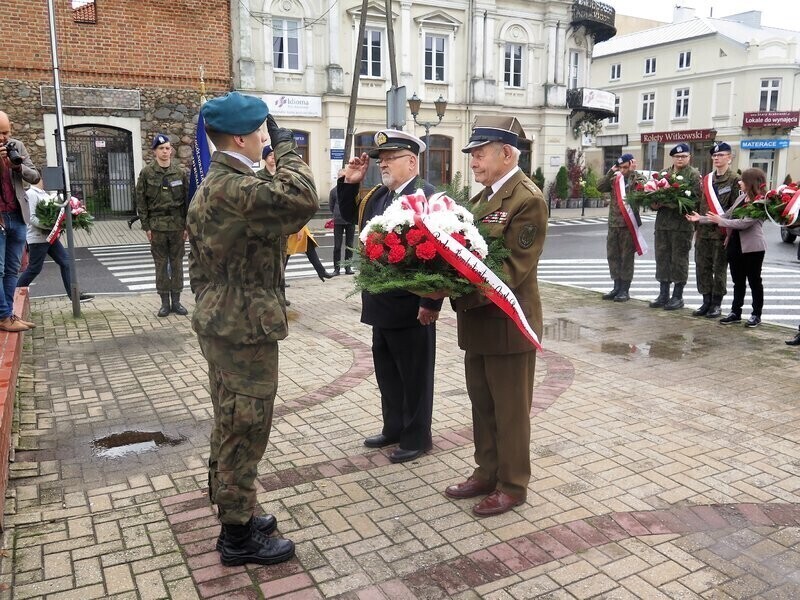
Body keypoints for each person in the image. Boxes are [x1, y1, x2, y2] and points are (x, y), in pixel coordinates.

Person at [186, 92, 318, 566]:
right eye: (262, 129)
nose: (267, 135)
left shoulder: (215, 184)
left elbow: (197, 266)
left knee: (230, 419)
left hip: (225, 322)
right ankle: (238, 537)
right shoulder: (234, 188)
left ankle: (235, 508)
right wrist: (286, 148)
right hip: (243, 331)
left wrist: (214, 301)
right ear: (241, 137)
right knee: (246, 426)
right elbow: (302, 197)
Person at [444, 116, 548, 517]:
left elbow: (511, 268)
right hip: (480, 322)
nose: (473, 161)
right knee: (482, 403)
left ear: (506, 154)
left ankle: (513, 484)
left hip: (509, 323)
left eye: (480, 153)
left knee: (510, 410)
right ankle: (486, 472)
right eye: (472, 154)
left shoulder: (527, 199)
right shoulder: (482, 199)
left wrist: (450, 288)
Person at [337, 129, 442, 464]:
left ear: (411, 162)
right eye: (381, 159)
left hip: (412, 306)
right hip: (380, 304)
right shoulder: (378, 197)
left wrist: (430, 301)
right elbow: (347, 215)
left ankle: (417, 437)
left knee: (414, 376)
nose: (382, 164)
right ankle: (394, 427)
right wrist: (350, 183)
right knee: (388, 372)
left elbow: (439, 255)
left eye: (389, 159)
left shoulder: (427, 196)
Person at [687, 167, 766, 327]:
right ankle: (735, 312)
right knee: (738, 281)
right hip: (735, 244)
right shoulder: (742, 198)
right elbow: (726, 215)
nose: (739, 182)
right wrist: (700, 218)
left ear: (750, 183)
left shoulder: (761, 201)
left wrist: (720, 221)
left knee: (754, 282)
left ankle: (756, 314)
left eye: (743, 180)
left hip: (752, 248)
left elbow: (744, 223)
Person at [135, 133, 189, 318]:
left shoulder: (180, 173)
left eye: (167, 148)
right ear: (155, 151)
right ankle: (164, 303)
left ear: (171, 151)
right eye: (161, 148)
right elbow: (141, 201)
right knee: (161, 265)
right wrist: (146, 226)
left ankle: (177, 301)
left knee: (177, 264)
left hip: (176, 225)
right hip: (157, 226)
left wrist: (186, 226)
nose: (165, 152)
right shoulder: (147, 173)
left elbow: (187, 202)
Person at [17, 178, 94, 304]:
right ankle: (15, 292)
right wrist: (50, 225)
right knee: (34, 268)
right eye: (44, 178)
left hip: (50, 237)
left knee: (66, 262)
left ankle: (74, 296)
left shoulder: (44, 194)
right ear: (39, 179)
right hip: (38, 238)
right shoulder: (31, 194)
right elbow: (30, 218)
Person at [0, 110, 40, 333]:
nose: (3, 138)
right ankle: (3, 316)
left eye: (6, 132)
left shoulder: (17, 147)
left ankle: (8, 315)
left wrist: (17, 166)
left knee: (12, 269)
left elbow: (35, 176)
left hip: (17, 215)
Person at [649, 143, 700, 311]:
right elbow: (652, 197)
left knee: (679, 260)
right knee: (662, 258)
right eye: (677, 156)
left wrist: (670, 203)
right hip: (663, 225)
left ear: (689, 157)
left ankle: (677, 296)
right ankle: (663, 294)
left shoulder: (693, 175)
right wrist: (654, 203)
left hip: (681, 226)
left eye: (683, 156)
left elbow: (694, 200)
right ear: (672, 157)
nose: (680, 159)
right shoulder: (664, 174)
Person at [692, 142, 740, 319]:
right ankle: (706, 301)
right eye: (714, 156)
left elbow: (737, 209)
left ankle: (716, 304)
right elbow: (700, 205)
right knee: (702, 267)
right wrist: (696, 229)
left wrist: (729, 231)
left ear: (729, 157)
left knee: (719, 269)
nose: (717, 158)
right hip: (704, 232)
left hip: (721, 234)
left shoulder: (734, 179)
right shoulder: (706, 179)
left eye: (721, 155)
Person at [596, 153, 646, 302]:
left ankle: (625, 289)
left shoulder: (637, 178)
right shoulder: (615, 179)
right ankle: (616, 286)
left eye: (625, 167)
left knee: (626, 258)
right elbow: (600, 186)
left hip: (627, 225)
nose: (623, 170)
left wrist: (633, 172)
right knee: (613, 256)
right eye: (620, 168)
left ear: (631, 164)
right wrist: (611, 171)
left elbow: (641, 189)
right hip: (613, 224)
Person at [329, 170, 355, 275]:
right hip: (338, 221)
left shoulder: (351, 190)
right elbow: (331, 205)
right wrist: (336, 214)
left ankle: (348, 268)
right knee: (337, 246)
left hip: (350, 221)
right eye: (341, 176)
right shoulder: (334, 191)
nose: (343, 178)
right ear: (338, 177)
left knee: (349, 245)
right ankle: (337, 269)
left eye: (344, 176)